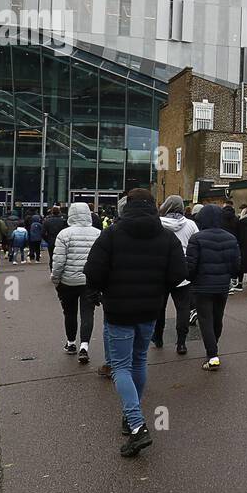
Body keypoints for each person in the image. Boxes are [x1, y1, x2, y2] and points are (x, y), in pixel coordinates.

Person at [84, 189, 185, 457]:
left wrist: (105, 288)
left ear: (126, 207)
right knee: (139, 360)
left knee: (120, 367)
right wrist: (158, 285)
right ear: (154, 207)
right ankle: (131, 417)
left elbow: (92, 271)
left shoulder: (112, 234)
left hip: (118, 309)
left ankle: (137, 425)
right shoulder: (167, 237)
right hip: (151, 308)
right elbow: (179, 275)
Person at [185, 206, 240, 371]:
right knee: (218, 318)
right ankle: (213, 347)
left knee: (205, 320)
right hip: (222, 285)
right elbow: (236, 265)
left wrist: (190, 278)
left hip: (202, 286)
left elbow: (191, 266)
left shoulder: (196, 238)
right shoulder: (230, 238)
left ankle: (212, 354)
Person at [51, 202, 101, 364]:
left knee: (70, 312)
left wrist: (55, 279)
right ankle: (84, 346)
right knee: (88, 313)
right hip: (89, 281)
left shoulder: (64, 234)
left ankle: (71, 343)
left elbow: (58, 261)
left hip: (68, 281)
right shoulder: (98, 234)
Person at [155, 195, 197, 356]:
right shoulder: (191, 225)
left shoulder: (157, 224)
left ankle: (158, 338)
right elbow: (195, 246)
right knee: (183, 308)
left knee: (159, 308)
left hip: (161, 271)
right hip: (183, 271)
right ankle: (181, 343)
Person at [218, 205, 241, 292]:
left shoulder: (220, 219)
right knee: (232, 262)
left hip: (222, 242)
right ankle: (233, 279)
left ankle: (226, 283)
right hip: (233, 242)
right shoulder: (236, 219)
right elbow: (239, 231)